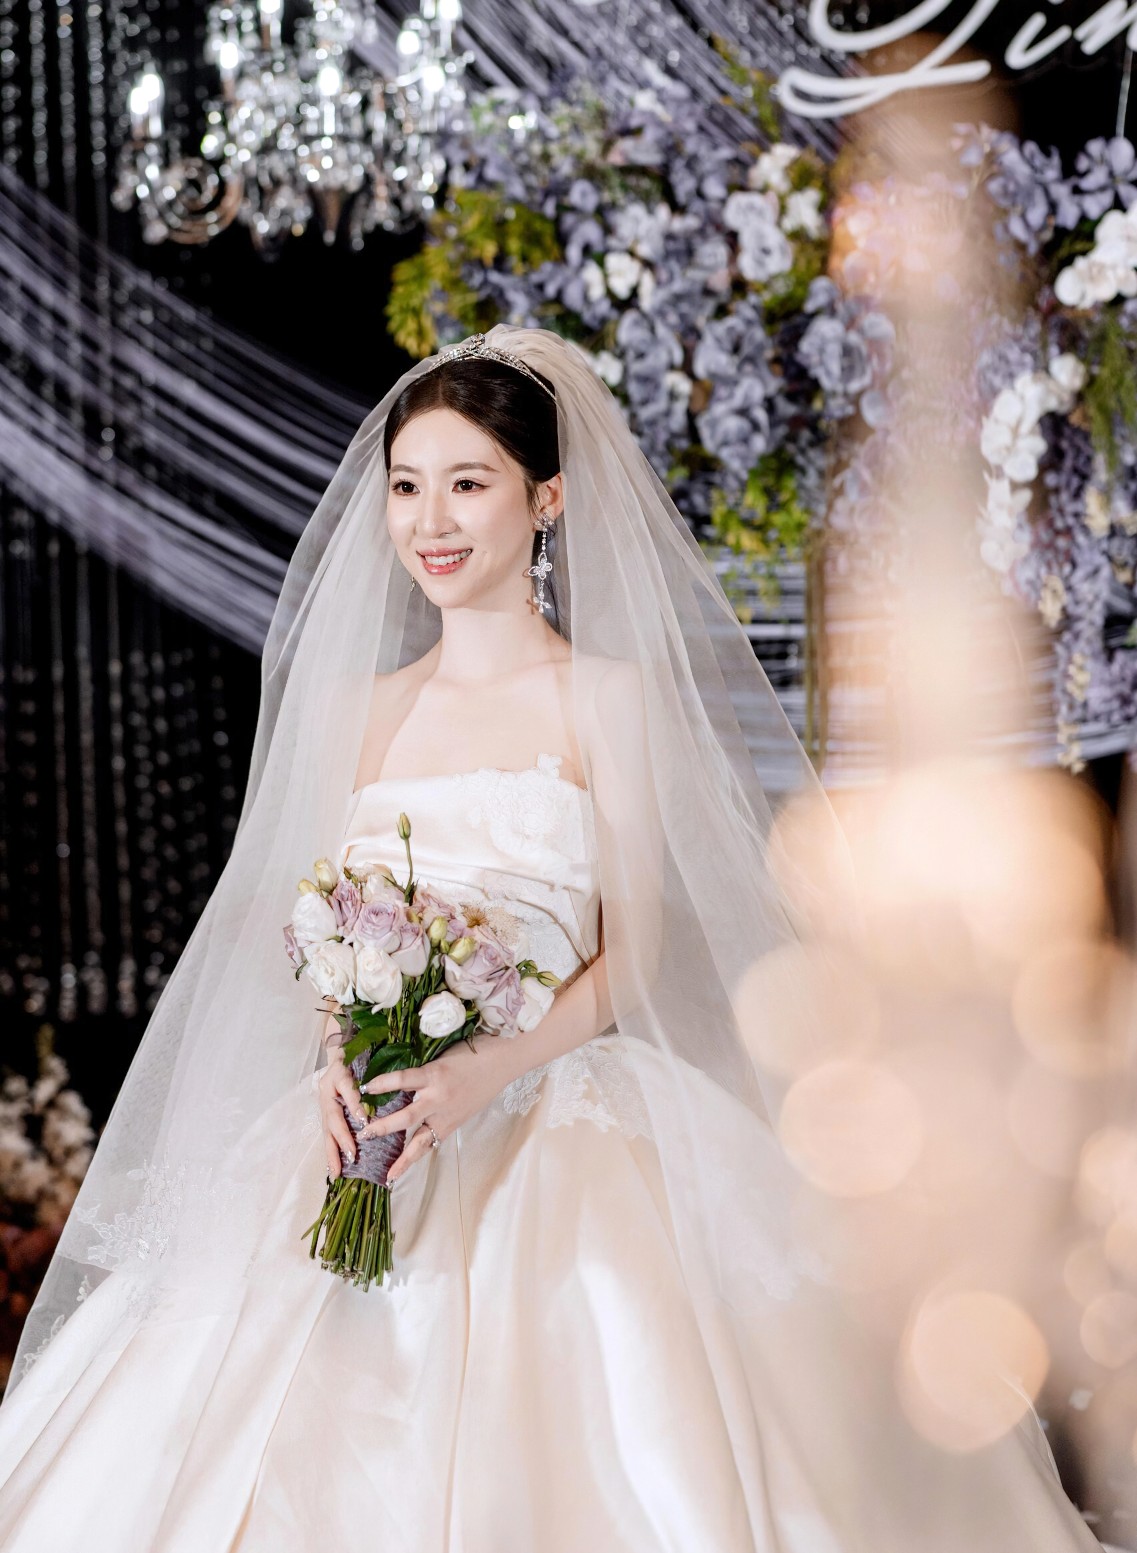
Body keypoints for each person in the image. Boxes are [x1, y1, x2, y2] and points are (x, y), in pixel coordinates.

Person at [0, 327, 1102, 1550]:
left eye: (468, 482)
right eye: (407, 485)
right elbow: (327, 923)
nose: (431, 520)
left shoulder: (606, 698)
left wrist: (488, 1070)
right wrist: (337, 1056)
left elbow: (636, 953)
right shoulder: (362, 711)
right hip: (370, 1124)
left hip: (557, 1112)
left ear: (547, 499)